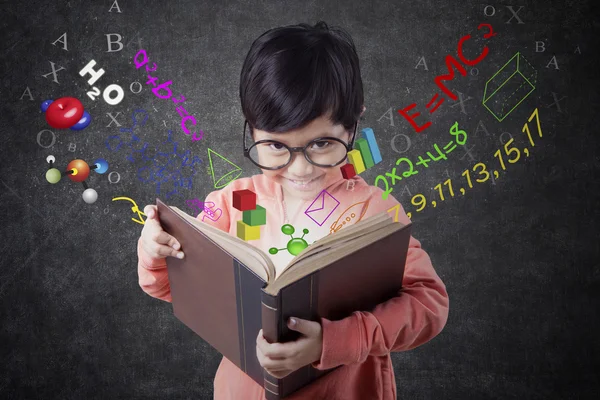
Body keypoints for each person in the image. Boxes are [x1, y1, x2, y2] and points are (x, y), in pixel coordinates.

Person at [137, 21, 449, 400]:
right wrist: (155, 254)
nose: (300, 168)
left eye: (321, 143)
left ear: (353, 126)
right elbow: (175, 288)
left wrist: (331, 342)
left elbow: (428, 305)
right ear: (251, 130)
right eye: (275, 147)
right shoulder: (232, 203)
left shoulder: (375, 212)